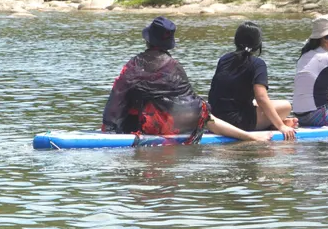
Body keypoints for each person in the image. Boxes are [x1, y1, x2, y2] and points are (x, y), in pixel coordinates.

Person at [102, 17, 272, 143]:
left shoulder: (133, 64)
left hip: (136, 123)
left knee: (199, 108)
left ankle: (249, 135)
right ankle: (249, 137)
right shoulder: (173, 66)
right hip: (165, 124)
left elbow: (118, 96)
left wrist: (110, 128)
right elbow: (188, 99)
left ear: (147, 40)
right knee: (204, 111)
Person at [208, 22, 297, 140]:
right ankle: (277, 123)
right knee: (286, 106)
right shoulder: (257, 64)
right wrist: (281, 127)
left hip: (215, 118)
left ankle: (271, 123)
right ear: (258, 43)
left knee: (255, 103)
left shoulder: (224, 59)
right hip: (237, 121)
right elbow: (261, 98)